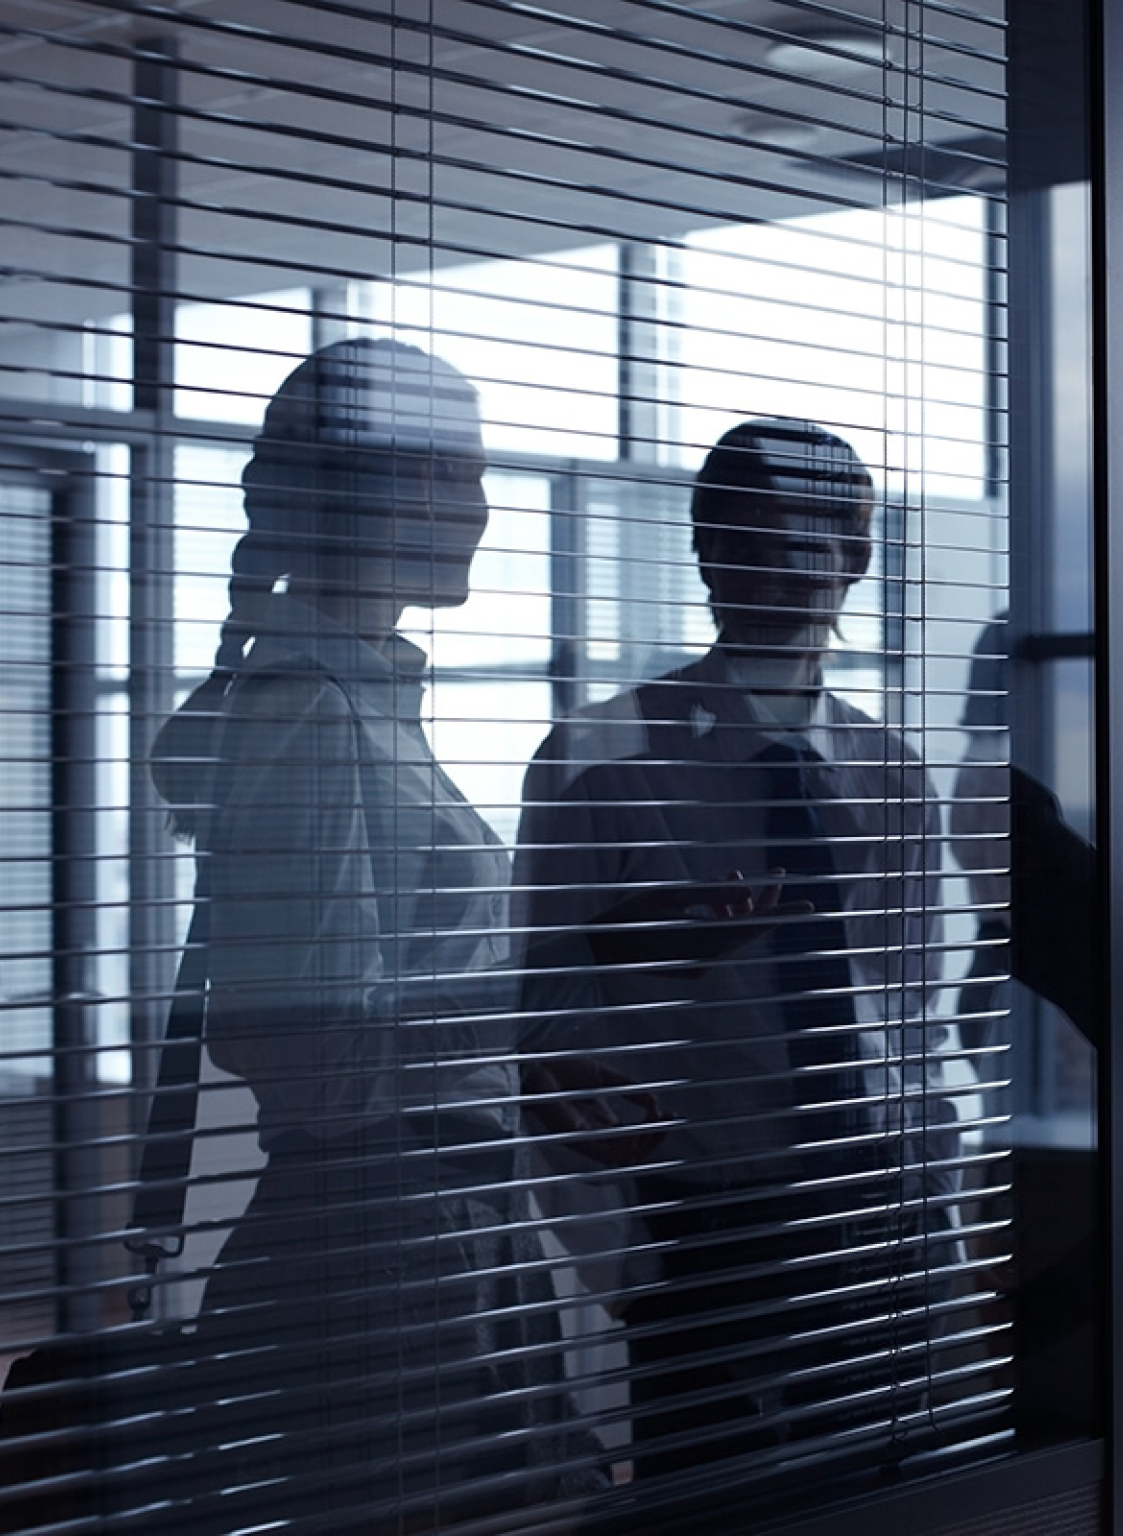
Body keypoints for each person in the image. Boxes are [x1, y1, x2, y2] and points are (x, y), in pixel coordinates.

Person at [147, 338, 603, 1530]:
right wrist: (504, 1017)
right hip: (400, 1232)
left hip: (436, 1214)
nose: (486, 509)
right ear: (370, 486)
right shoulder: (312, 712)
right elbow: (323, 1057)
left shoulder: (352, 700)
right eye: (453, 474)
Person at [514, 417, 960, 1490]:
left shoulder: (889, 775)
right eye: (752, 539)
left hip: (879, 1225)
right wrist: (628, 1268)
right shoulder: (601, 759)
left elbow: (914, 1020)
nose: (786, 570)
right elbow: (543, 1037)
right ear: (706, 551)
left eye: (819, 541)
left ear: (857, 558)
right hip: (707, 1241)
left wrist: (938, 1215)